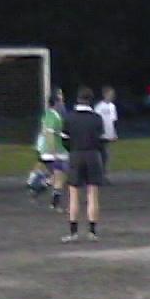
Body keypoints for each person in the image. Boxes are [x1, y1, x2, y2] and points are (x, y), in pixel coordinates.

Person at [61, 86, 104, 242]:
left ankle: (73, 232)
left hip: (76, 155)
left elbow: (64, 140)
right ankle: (92, 232)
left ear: (78, 99)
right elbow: (101, 140)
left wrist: (72, 149)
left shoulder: (69, 118)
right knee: (92, 194)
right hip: (93, 155)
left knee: (73, 195)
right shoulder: (97, 118)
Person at [94, 86, 118, 184]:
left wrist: (114, 133)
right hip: (101, 135)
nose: (112, 96)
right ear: (104, 95)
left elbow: (113, 121)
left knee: (106, 156)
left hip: (108, 134)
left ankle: (103, 175)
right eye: (110, 94)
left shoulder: (112, 106)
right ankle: (100, 176)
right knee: (102, 155)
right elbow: (96, 120)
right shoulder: (99, 106)